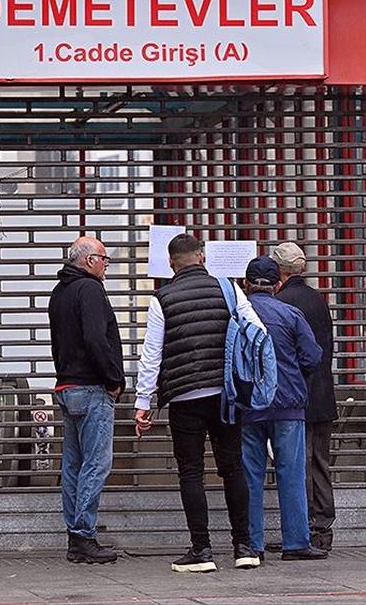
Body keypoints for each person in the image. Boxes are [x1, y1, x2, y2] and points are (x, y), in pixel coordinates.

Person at [134, 233, 264, 573]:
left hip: (184, 397)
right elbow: (255, 330)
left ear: (172, 263)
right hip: (225, 395)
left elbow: (151, 356)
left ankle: (202, 551)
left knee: (190, 472)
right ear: (202, 257)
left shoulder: (161, 299)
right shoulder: (230, 288)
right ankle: (244, 546)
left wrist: (142, 402)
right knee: (232, 467)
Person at [240, 256, 328, 562]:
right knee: (291, 474)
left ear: (245, 283)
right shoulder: (290, 314)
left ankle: (253, 544)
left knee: (250, 476)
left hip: (247, 406)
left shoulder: (236, 317)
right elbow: (312, 357)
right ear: (277, 285)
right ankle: (296, 543)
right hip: (288, 405)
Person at [48, 236, 124, 564]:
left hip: (67, 386)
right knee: (97, 462)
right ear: (90, 260)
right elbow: (96, 337)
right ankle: (83, 535)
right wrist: (113, 379)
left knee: (74, 465)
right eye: (105, 259)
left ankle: (75, 536)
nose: (107, 265)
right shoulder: (90, 290)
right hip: (91, 388)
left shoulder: (60, 292)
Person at [271, 241, 338, 551]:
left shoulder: (281, 302)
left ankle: (307, 529)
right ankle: (324, 528)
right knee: (320, 463)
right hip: (323, 395)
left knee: (299, 464)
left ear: (279, 270)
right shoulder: (318, 299)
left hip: (295, 397)